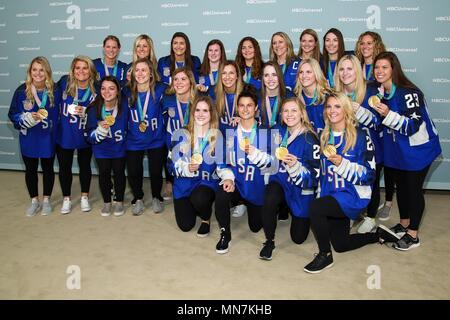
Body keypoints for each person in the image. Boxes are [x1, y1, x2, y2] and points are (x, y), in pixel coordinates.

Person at [303, 91, 400, 274]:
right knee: (341, 244)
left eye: (337, 106)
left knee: (316, 208)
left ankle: (325, 255)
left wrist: (342, 164)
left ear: (347, 110)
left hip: (352, 196)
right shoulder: (324, 136)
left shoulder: (361, 136)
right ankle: (377, 235)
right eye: (329, 106)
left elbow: (369, 176)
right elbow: (321, 174)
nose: (332, 111)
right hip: (331, 194)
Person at [372, 51, 442, 250]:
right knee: (401, 187)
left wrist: (388, 114)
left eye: (384, 67)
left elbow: (412, 126)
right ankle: (403, 224)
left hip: (419, 149)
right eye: (377, 67)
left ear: (394, 69)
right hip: (397, 149)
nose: (379, 71)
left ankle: (413, 234)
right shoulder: (380, 93)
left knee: (413, 190)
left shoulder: (409, 92)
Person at [259, 97, 320, 260]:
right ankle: (269, 241)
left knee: (298, 238)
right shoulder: (278, 131)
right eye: (285, 111)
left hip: (300, 189)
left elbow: (314, 178)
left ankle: (288, 207)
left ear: (302, 113)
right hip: (280, 181)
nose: (289, 114)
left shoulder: (310, 139)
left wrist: (295, 166)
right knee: (269, 198)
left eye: (294, 110)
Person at [214, 85, 273, 254]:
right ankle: (225, 234)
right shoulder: (229, 132)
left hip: (257, 187)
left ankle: (253, 207)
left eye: (249, 105)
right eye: (241, 105)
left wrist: (256, 154)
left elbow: (274, 164)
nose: (245, 109)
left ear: (255, 108)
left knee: (256, 227)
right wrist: (227, 178)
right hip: (237, 183)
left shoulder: (266, 132)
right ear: (237, 108)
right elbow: (221, 161)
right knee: (221, 194)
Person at [8, 56, 61, 216]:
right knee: (30, 169)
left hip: (48, 137)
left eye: (41, 70)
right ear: (30, 72)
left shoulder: (55, 91)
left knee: (47, 168)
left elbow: (61, 113)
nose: (38, 73)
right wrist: (25, 118)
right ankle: (34, 200)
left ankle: (46, 200)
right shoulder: (21, 90)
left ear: (47, 72)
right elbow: (12, 113)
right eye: (34, 70)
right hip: (29, 137)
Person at [167, 96, 220, 236]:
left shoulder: (217, 137)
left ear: (211, 114)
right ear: (192, 112)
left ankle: (205, 218)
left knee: (200, 199)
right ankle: (193, 204)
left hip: (205, 183)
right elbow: (170, 165)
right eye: (197, 110)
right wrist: (186, 168)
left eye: (205, 110)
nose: (201, 114)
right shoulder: (181, 134)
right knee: (185, 226)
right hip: (184, 184)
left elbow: (222, 166)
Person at [123, 59, 167, 215]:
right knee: (134, 171)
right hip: (133, 140)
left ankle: (156, 196)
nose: (140, 73)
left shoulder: (160, 89)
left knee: (156, 171)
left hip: (156, 139)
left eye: (144, 70)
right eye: (137, 70)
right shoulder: (126, 91)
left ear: (150, 73)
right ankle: (138, 198)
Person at [57, 55, 98, 214]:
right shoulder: (63, 84)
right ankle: (66, 198)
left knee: (85, 166)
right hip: (65, 134)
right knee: (64, 167)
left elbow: (102, 111)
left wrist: (87, 113)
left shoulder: (96, 89)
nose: (81, 71)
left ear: (91, 71)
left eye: (85, 67)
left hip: (84, 134)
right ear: (73, 70)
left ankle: (84, 196)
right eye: (78, 68)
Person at [85, 76, 128, 217]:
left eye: (111, 88)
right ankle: (107, 202)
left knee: (119, 173)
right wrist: (98, 132)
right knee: (103, 174)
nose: (107, 92)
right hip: (101, 149)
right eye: (103, 88)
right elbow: (88, 135)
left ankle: (119, 200)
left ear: (117, 91)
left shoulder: (125, 106)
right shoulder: (93, 109)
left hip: (119, 148)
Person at [162, 68, 198, 197]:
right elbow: (164, 121)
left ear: (191, 82)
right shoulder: (167, 99)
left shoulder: (198, 101)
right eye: (176, 79)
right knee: (179, 176)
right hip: (173, 144)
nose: (179, 82)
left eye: (183, 79)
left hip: (193, 145)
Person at [293, 58, 328, 135]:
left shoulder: (328, 98)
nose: (304, 76)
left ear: (316, 74)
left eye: (308, 72)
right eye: (301, 72)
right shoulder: (294, 98)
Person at [209, 60, 244, 130]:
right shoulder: (213, 94)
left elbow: (255, 121)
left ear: (237, 76)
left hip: (241, 138)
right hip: (219, 138)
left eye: (231, 73)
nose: (227, 77)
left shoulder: (246, 94)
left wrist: (245, 120)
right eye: (224, 73)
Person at [258, 61, 294, 128]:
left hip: (284, 136)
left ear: (279, 76)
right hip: (262, 135)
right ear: (262, 78)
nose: (270, 79)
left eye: (274, 75)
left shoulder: (290, 97)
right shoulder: (256, 96)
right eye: (266, 75)